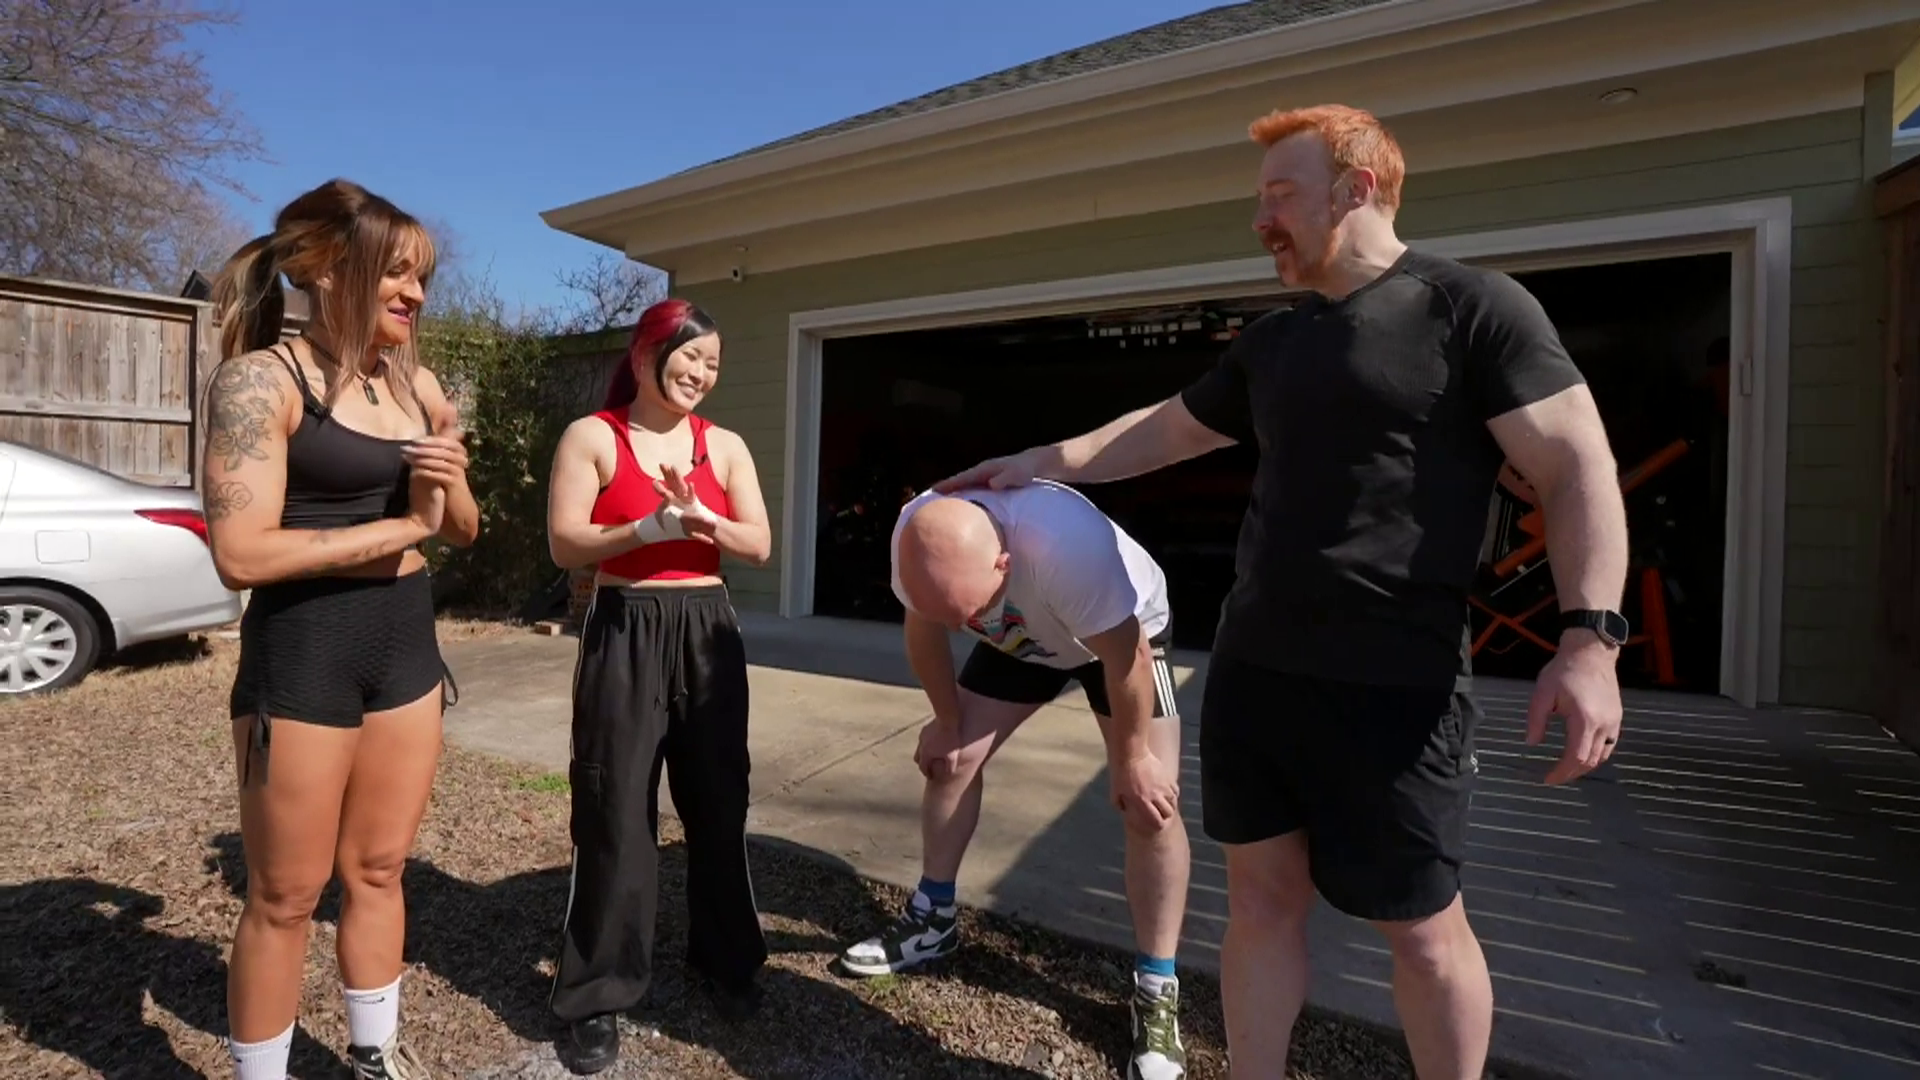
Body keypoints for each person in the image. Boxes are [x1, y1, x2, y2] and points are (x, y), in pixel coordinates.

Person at [935, 105, 1631, 1080]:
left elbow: (1575, 465)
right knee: (1260, 904)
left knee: (1424, 932)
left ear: (1356, 190)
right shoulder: (1274, 341)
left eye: (1279, 195)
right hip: (1257, 674)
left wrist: (1590, 641)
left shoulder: (1472, 308)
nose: (1260, 219)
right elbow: (1164, 429)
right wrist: (1040, 462)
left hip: (1397, 687)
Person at [202, 178, 478, 1080]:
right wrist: (404, 528)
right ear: (327, 269)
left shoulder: (416, 385)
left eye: (422, 277)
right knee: (285, 896)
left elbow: (460, 528)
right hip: (305, 652)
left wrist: (447, 479)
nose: (417, 294)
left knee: (381, 870)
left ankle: (373, 1056)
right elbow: (241, 553)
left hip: (404, 648)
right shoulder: (260, 381)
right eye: (397, 273)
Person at [837, 480, 1191, 1080]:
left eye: (967, 614)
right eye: (956, 618)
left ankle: (1156, 990)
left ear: (1004, 562)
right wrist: (947, 722)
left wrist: (1133, 759)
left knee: (1149, 806)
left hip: (1122, 639)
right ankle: (933, 920)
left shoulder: (1069, 546)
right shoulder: (918, 536)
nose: (961, 626)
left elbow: (1127, 657)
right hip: (1023, 636)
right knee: (951, 761)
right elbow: (923, 630)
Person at [543, 299, 773, 1074]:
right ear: (646, 355)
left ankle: (727, 960)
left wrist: (700, 518)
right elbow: (565, 543)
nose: (701, 373)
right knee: (614, 806)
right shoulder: (593, 436)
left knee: (719, 800)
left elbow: (759, 545)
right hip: (625, 625)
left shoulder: (725, 446)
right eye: (690, 357)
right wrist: (644, 530)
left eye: (713, 363)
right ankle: (597, 993)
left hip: (707, 627)